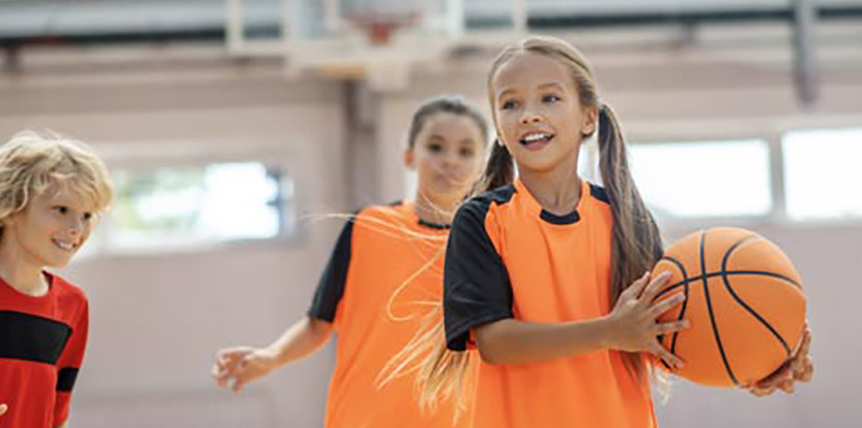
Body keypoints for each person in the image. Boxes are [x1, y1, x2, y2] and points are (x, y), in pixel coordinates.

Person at [400, 36, 814, 428]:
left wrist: (755, 363)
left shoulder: (626, 219)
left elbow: (664, 332)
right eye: (510, 104)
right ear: (501, 131)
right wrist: (609, 330)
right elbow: (495, 342)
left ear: (587, 117)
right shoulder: (482, 220)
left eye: (549, 97)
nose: (529, 113)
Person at [212, 95, 490, 427]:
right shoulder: (367, 226)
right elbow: (318, 324)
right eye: (436, 146)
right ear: (409, 156)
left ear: (481, 165)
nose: (450, 160)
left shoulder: (489, 244)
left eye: (466, 151)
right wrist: (270, 357)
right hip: (362, 416)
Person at [0, 130, 114, 428]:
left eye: (86, 215)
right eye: (61, 210)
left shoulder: (72, 306)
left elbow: (57, 418)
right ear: (10, 208)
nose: (76, 228)